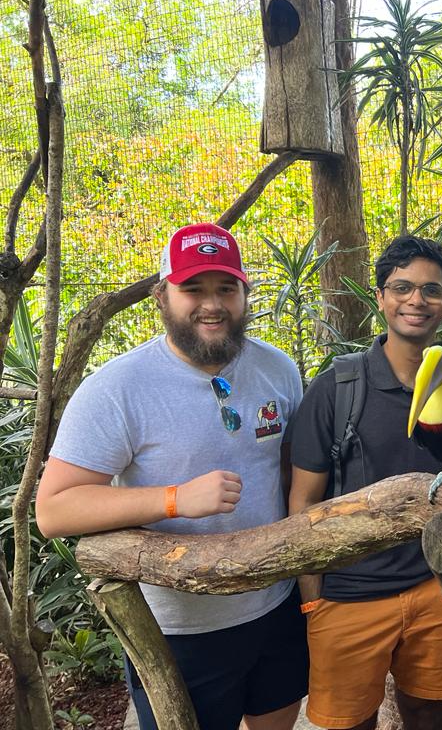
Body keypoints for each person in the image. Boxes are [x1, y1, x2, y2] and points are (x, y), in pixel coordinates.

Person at [37, 222, 308, 730]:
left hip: (275, 605)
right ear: (162, 295)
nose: (213, 304)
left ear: (245, 292)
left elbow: (295, 474)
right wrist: (174, 499)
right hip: (181, 628)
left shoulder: (278, 369)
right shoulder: (117, 388)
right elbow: (53, 510)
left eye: (226, 288)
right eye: (194, 289)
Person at [287, 235, 442, 730]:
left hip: (437, 587)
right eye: (402, 288)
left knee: (434, 713)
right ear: (381, 297)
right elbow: (303, 501)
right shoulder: (337, 388)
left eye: (431, 290)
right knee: (348, 723)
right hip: (348, 595)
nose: (417, 300)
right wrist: (313, 599)